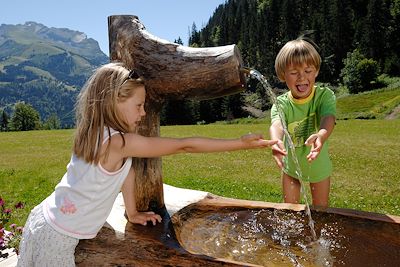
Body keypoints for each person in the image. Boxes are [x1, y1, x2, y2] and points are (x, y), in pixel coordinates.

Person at [17, 62, 281, 266]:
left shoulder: (95, 130)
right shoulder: (118, 142)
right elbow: (184, 145)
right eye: (139, 105)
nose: (143, 113)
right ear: (114, 101)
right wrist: (240, 142)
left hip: (43, 217)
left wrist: (132, 213)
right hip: (58, 236)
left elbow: (125, 173)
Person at [269, 37, 336, 208]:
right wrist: (275, 140)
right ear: (283, 75)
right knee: (290, 212)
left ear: (316, 71)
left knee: (321, 212)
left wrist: (321, 135)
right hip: (291, 168)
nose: (301, 77)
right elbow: (277, 124)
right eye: (294, 72)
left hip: (318, 167)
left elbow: (328, 117)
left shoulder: (324, 96)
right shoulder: (281, 103)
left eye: (308, 70)